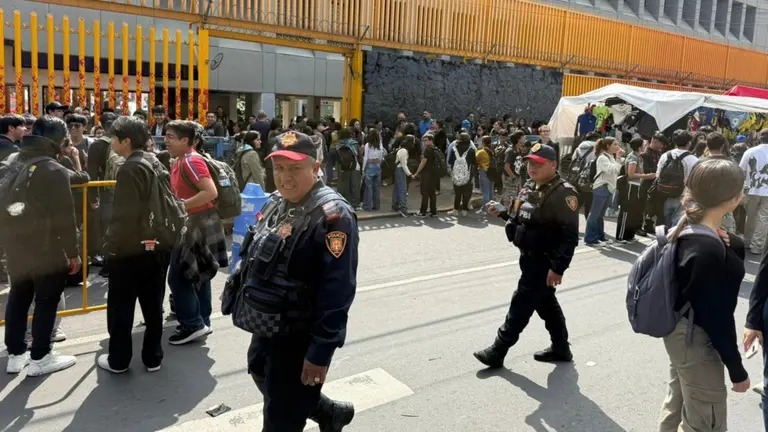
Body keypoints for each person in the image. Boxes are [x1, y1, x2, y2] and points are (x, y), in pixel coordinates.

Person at [235, 131, 357, 431]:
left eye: (294, 168)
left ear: (315, 168)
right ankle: (326, 411)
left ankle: (309, 409)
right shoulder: (279, 201)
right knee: (260, 370)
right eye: (278, 168)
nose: (284, 177)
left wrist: (319, 353)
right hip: (270, 324)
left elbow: (337, 291)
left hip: (299, 334)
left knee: (280, 417)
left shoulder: (332, 217)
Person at [658, 158, 750, 432]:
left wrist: (734, 243)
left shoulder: (688, 231)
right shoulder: (707, 249)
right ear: (735, 198)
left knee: (678, 401)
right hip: (697, 339)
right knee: (704, 421)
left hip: (679, 332)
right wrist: (736, 368)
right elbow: (717, 318)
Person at [474, 143, 579, 368]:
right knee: (546, 304)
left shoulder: (564, 193)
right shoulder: (531, 186)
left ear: (553, 165)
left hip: (544, 261)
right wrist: (503, 213)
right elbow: (522, 219)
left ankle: (498, 350)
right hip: (528, 256)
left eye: (539, 163)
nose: (532, 167)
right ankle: (561, 347)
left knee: (521, 303)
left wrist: (558, 267)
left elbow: (569, 236)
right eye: (530, 162)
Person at [3, 116, 81, 376]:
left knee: (18, 297)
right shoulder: (53, 169)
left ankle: (15, 354)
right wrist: (73, 253)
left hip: (15, 244)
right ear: (58, 142)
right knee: (46, 301)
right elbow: (65, 218)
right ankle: (41, 357)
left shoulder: (15, 162)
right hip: (46, 248)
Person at [98, 116, 170, 373]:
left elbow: (123, 216)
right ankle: (153, 358)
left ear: (126, 141)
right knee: (153, 304)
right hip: (157, 245)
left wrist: (112, 247)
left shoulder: (129, 168)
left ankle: (118, 360)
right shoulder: (155, 161)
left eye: (114, 137)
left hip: (130, 249)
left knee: (121, 306)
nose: (111, 142)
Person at [166, 120, 228, 345]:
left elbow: (209, 192)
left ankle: (193, 323)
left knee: (179, 276)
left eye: (171, 137)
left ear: (186, 140)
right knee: (199, 273)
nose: (166, 140)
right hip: (198, 221)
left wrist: (181, 207)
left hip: (198, 223)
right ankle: (202, 321)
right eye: (166, 136)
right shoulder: (179, 160)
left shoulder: (191, 161)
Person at [584, 137, 623, 246]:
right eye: (615, 144)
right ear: (607, 146)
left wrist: (619, 159)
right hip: (601, 188)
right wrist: (619, 158)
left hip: (608, 188)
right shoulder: (602, 158)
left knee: (600, 215)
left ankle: (600, 237)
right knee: (595, 214)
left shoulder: (610, 157)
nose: (617, 146)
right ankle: (591, 239)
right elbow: (612, 170)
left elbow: (616, 169)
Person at [616, 138, 654, 243]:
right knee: (626, 211)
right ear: (639, 147)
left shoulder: (639, 158)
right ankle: (621, 236)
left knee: (633, 211)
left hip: (637, 187)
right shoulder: (632, 157)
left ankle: (629, 235)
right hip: (630, 186)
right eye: (644, 144)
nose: (646, 146)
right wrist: (647, 176)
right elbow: (631, 174)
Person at [414, 134, 440, 217]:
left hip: (426, 174)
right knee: (432, 193)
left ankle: (422, 212)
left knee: (424, 193)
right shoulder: (435, 149)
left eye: (425, 140)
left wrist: (417, 172)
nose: (424, 142)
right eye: (423, 140)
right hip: (434, 174)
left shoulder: (428, 150)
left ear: (431, 140)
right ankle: (433, 211)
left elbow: (423, 162)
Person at [362, 128, 384, 211]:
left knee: (369, 187)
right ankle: (376, 205)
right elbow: (381, 156)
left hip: (370, 165)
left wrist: (363, 169)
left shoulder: (368, 145)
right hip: (377, 165)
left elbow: (365, 158)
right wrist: (379, 164)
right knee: (376, 187)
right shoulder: (380, 144)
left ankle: (367, 206)